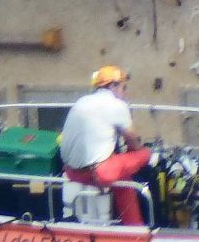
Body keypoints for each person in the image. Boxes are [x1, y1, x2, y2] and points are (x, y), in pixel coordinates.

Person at [59, 64, 151, 226]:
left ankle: (133, 224)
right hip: (99, 172)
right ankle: (135, 226)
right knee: (145, 155)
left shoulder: (81, 101)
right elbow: (134, 143)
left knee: (124, 180)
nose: (125, 92)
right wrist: (138, 149)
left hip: (71, 171)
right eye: (124, 87)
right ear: (113, 86)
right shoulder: (117, 106)